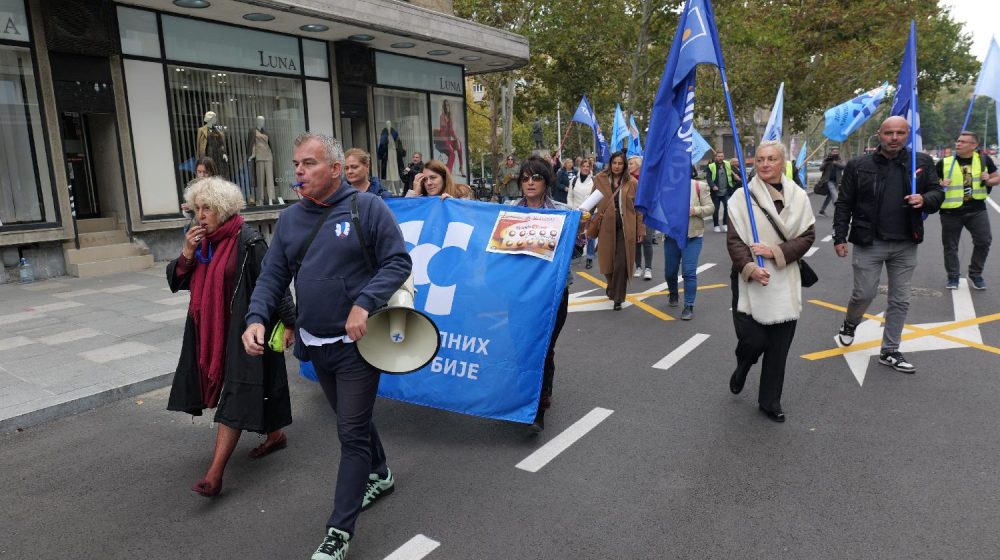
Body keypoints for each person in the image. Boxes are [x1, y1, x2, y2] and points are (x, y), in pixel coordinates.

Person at [242, 133, 412, 560]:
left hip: (359, 343)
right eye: (296, 163)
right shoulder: (290, 220)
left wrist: (363, 303)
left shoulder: (367, 207)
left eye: (309, 163)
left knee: (350, 432)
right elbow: (272, 277)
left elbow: (398, 262)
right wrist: (257, 318)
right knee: (349, 417)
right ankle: (381, 472)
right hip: (316, 344)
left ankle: (339, 531)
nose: (298, 170)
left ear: (336, 170)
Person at [167, 177, 295, 497]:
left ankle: (215, 474)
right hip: (210, 331)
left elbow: (274, 283)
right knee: (257, 388)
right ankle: (276, 434)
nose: (201, 215)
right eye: (197, 208)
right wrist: (187, 253)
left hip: (245, 329)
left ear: (223, 209)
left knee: (238, 392)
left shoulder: (249, 241)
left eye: (207, 208)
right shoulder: (202, 243)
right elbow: (178, 279)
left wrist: (290, 323)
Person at [833, 116, 944, 374]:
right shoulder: (859, 165)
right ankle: (850, 323)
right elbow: (844, 203)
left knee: (900, 299)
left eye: (900, 133)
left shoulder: (921, 162)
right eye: (889, 133)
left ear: (907, 135)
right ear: (879, 135)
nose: (894, 138)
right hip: (869, 242)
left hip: (906, 242)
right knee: (864, 294)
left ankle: (890, 350)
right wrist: (840, 237)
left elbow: (938, 194)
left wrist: (925, 199)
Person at [727, 141, 816, 422]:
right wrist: (749, 266)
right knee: (753, 339)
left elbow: (807, 236)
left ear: (783, 163)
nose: (765, 164)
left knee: (778, 348)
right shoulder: (741, 197)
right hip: (749, 277)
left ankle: (770, 401)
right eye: (761, 159)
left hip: (784, 275)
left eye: (772, 159)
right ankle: (744, 363)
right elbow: (735, 240)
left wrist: (776, 252)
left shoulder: (799, 196)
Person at [506, 156, 573, 433]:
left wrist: (583, 228)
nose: (529, 183)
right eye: (525, 178)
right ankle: (522, 397)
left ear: (546, 182)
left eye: (536, 178)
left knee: (542, 348)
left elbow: (578, 247)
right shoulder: (507, 210)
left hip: (552, 293)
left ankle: (537, 408)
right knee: (521, 347)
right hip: (517, 292)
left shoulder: (564, 212)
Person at [935, 131, 998, 290]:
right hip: (950, 211)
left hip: (977, 209)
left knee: (984, 241)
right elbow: (930, 182)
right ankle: (953, 276)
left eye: (963, 142)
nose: (958, 144)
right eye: (958, 141)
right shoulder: (945, 162)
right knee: (950, 246)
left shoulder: (983, 160)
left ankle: (975, 274)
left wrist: (988, 180)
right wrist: (941, 182)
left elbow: (997, 178)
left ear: (974, 145)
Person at [590, 151, 643, 310]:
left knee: (622, 263)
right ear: (610, 164)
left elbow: (638, 209)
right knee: (607, 263)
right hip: (606, 227)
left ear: (624, 165)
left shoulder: (632, 182)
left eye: (620, 163)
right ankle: (612, 286)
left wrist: (641, 229)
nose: (617, 166)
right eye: (614, 163)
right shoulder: (600, 179)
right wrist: (583, 220)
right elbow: (592, 201)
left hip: (626, 229)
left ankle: (618, 298)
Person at [664, 166, 715, 320]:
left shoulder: (700, 186)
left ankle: (689, 306)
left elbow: (711, 208)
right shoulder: (667, 187)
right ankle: (673, 292)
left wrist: (694, 210)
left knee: (689, 273)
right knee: (670, 272)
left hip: (693, 236)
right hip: (672, 236)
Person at [568, 159, 597, 269]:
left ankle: (589, 258)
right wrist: (572, 208)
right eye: (583, 166)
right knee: (575, 235)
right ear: (580, 167)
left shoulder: (594, 181)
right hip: (576, 212)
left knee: (590, 235)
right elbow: (570, 196)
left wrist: (593, 211)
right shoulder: (574, 180)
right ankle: (575, 255)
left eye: (587, 166)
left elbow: (597, 197)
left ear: (590, 168)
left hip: (591, 212)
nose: (585, 168)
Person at [628, 155, 654, 280]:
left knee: (647, 240)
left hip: (647, 214)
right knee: (636, 242)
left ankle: (648, 268)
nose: (628, 166)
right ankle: (638, 267)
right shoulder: (627, 180)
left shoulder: (647, 180)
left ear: (638, 165)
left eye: (631, 164)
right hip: (632, 215)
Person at [405, 159, 472, 199]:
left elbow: (469, 217)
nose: (428, 183)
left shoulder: (461, 191)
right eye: (425, 179)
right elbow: (404, 215)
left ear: (444, 178)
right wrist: (414, 193)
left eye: (433, 177)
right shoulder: (421, 198)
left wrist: (452, 204)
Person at [435, 99, 464, 176]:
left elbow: (451, 131)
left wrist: (456, 139)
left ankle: (461, 167)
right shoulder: (442, 116)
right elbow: (447, 130)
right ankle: (448, 171)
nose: (446, 107)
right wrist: (455, 137)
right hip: (441, 140)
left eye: (448, 105)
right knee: (452, 153)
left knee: (459, 144)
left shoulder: (449, 117)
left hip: (447, 140)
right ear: (443, 107)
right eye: (445, 105)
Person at [705, 151, 733, 232]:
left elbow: (731, 173)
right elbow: (708, 178)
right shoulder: (711, 166)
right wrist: (713, 186)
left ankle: (725, 224)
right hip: (716, 192)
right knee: (716, 209)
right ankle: (716, 225)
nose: (721, 157)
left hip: (726, 191)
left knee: (727, 208)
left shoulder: (727, 164)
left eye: (722, 156)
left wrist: (737, 177)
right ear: (715, 157)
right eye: (719, 156)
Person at [818, 147, 845, 216]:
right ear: (831, 152)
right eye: (834, 152)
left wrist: (835, 163)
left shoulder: (839, 160)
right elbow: (820, 168)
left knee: (830, 196)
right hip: (828, 181)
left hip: (836, 181)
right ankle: (838, 212)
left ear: (838, 153)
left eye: (836, 152)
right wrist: (826, 163)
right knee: (835, 195)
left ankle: (822, 210)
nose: (835, 153)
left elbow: (844, 166)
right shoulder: (827, 160)